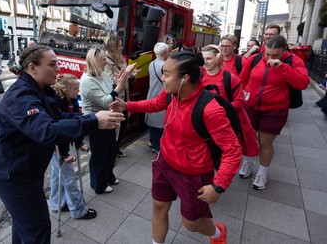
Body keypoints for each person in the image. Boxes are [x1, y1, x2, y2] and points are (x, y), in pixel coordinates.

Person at [0, 45, 124, 243]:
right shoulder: (21, 96)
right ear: (33, 68)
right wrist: (93, 121)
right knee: (38, 230)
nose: (58, 70)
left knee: (24, 226)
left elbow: (58, 117)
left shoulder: (41, 91)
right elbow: (47, 131)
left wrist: (91, 119)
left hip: (27, 173)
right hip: (15, 177)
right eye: (52, 65)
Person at [110, 51, 242, 244]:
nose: (162, 78)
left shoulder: (210, 109)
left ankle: (217, 234)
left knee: (191, 223)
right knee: (159, 207)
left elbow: (233, 150)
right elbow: (155, 104)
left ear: (185, 78)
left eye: (166, 74)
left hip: (193, 174)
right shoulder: (173, 94)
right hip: (164, 163)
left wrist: (218, 185)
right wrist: (127, 106)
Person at [239, 35, 310, 190]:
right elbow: (242, 80)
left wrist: (283, 67)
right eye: (268, 54)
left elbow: (302, 83)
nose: (270, 58)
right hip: (250, 106)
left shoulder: (293, 61)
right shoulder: (256, 59)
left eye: (275, 55)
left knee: (265, 142)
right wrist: (243, 95)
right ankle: (248, 162)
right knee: (248, 138)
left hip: (274, 110)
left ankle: (262, 173)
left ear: (284, 51)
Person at [201, 45, 259, 178]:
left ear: (218, 58)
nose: (205, 62)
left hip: (226, 122)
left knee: (224, 152)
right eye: (203, 58)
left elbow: (240, 101)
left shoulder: (230, 78)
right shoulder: (199, 76)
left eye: (209, 58)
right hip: (205, 122)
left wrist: (220, 111)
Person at [80, 47, 129, 194]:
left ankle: (108, 175)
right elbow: (105, 101)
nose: (105, 61)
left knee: (110, 150)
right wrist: (119, 86)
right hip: (96, 121)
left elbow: (112, 88)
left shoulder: (102, 74)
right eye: (102, 59)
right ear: (94, 61)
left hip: (108, 118)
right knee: (99, 154)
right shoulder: (87, 80)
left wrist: (118, 81)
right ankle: (99, 184)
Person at [47, 74, 96, 219]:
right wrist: (64, 154)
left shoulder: (72, 100)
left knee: (57, 176)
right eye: (75, 88)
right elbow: (60, 127)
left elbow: (75, 122)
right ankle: (78, 210)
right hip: (56, 145)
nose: (78, 91)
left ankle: (56, 204)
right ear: (65, 89)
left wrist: (79, 142)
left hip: (58, 145)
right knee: (69, 178)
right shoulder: (56, 102)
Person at [105, 35, 139, 157]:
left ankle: (116, 147)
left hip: (125, 97)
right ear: (113, 47)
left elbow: (126, 77)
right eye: (119, 46)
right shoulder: (106, 61)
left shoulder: (121, 58)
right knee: (115, 126)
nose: (122, 48)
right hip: (115, 97)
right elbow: (110, 81)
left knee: (123, 123)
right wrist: (126, 74)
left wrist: (132, 74)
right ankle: (111, 152)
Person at [146, 42, 170, 153]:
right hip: (160, 95)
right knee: (159, 123)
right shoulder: (164, 66)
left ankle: (151, 141)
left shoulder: (152, 63)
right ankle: (156, 146)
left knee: (153, 120)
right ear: (165, 52)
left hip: (151, 93)